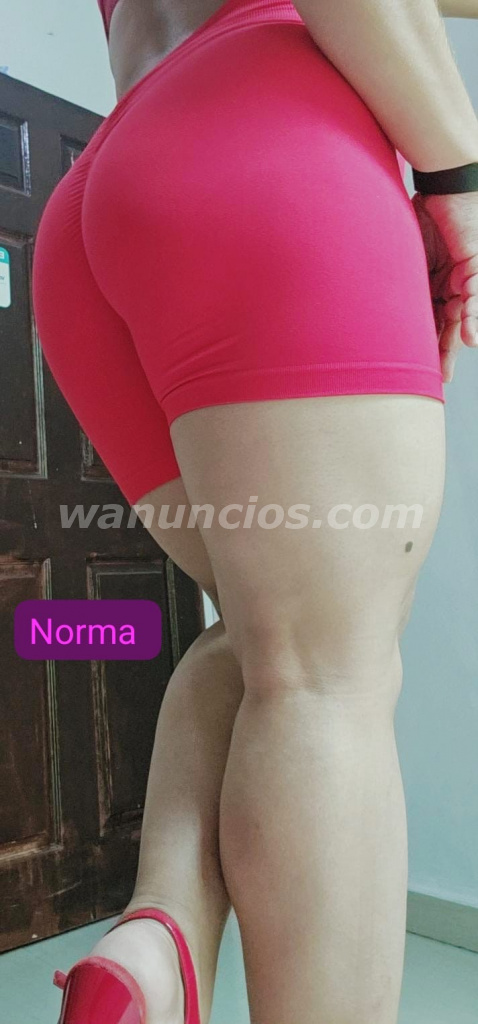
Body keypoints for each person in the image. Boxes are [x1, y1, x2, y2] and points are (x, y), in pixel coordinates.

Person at [32, 0, 478, 1022]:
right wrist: (459, 175)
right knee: (326, 670)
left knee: (268, 632)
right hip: (265, 121)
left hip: (101, 197)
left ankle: (160, 934)